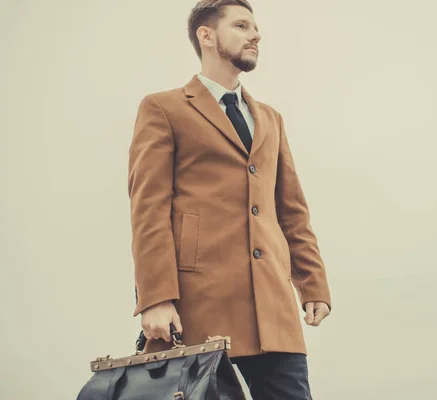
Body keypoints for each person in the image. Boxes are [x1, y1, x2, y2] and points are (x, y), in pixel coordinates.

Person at [127, 0, 332, 397]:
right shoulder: (163, 108)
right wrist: (155, 298)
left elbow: (291, 211)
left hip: (275, 314)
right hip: (200, 311)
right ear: (206, 35)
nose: (255, 35)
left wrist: (313, 283)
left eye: (255, 28)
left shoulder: (270, 119)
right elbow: (147, 209)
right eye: (241, 26)